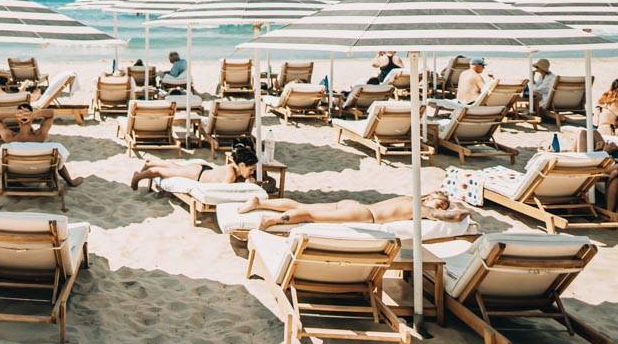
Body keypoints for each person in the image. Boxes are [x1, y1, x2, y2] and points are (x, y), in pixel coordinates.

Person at [238, 190, 468, 231]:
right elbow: (455, 216)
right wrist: (461, 208)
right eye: (441, 202)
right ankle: (271, 219)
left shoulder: (410, 198)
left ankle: (259, 202)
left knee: (302, 206)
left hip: (354, 205)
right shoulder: (421, 207)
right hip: (364, 215)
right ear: (430, 198)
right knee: (308, 214)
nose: (442, 206)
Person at [0, 102, 83, 186]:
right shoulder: (39, 136)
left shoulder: (10, 137)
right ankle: (70, 182)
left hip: (15, 174)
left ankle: (1, 180)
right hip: (40, 174)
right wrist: (34, 114)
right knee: (57, 154)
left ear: (17, 120)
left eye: (27, 113)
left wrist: (15, 115)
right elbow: (51, 114)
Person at [130, 137, 258, 190]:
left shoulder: (234, 167)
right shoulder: (231, 174)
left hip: (202, 170)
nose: (252, 172)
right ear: (242, 165)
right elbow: (224, 191)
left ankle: (151, 162)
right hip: (197, 175)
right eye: (251, 169)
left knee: (176, 168)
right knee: (162, 172)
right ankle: (137, 177)